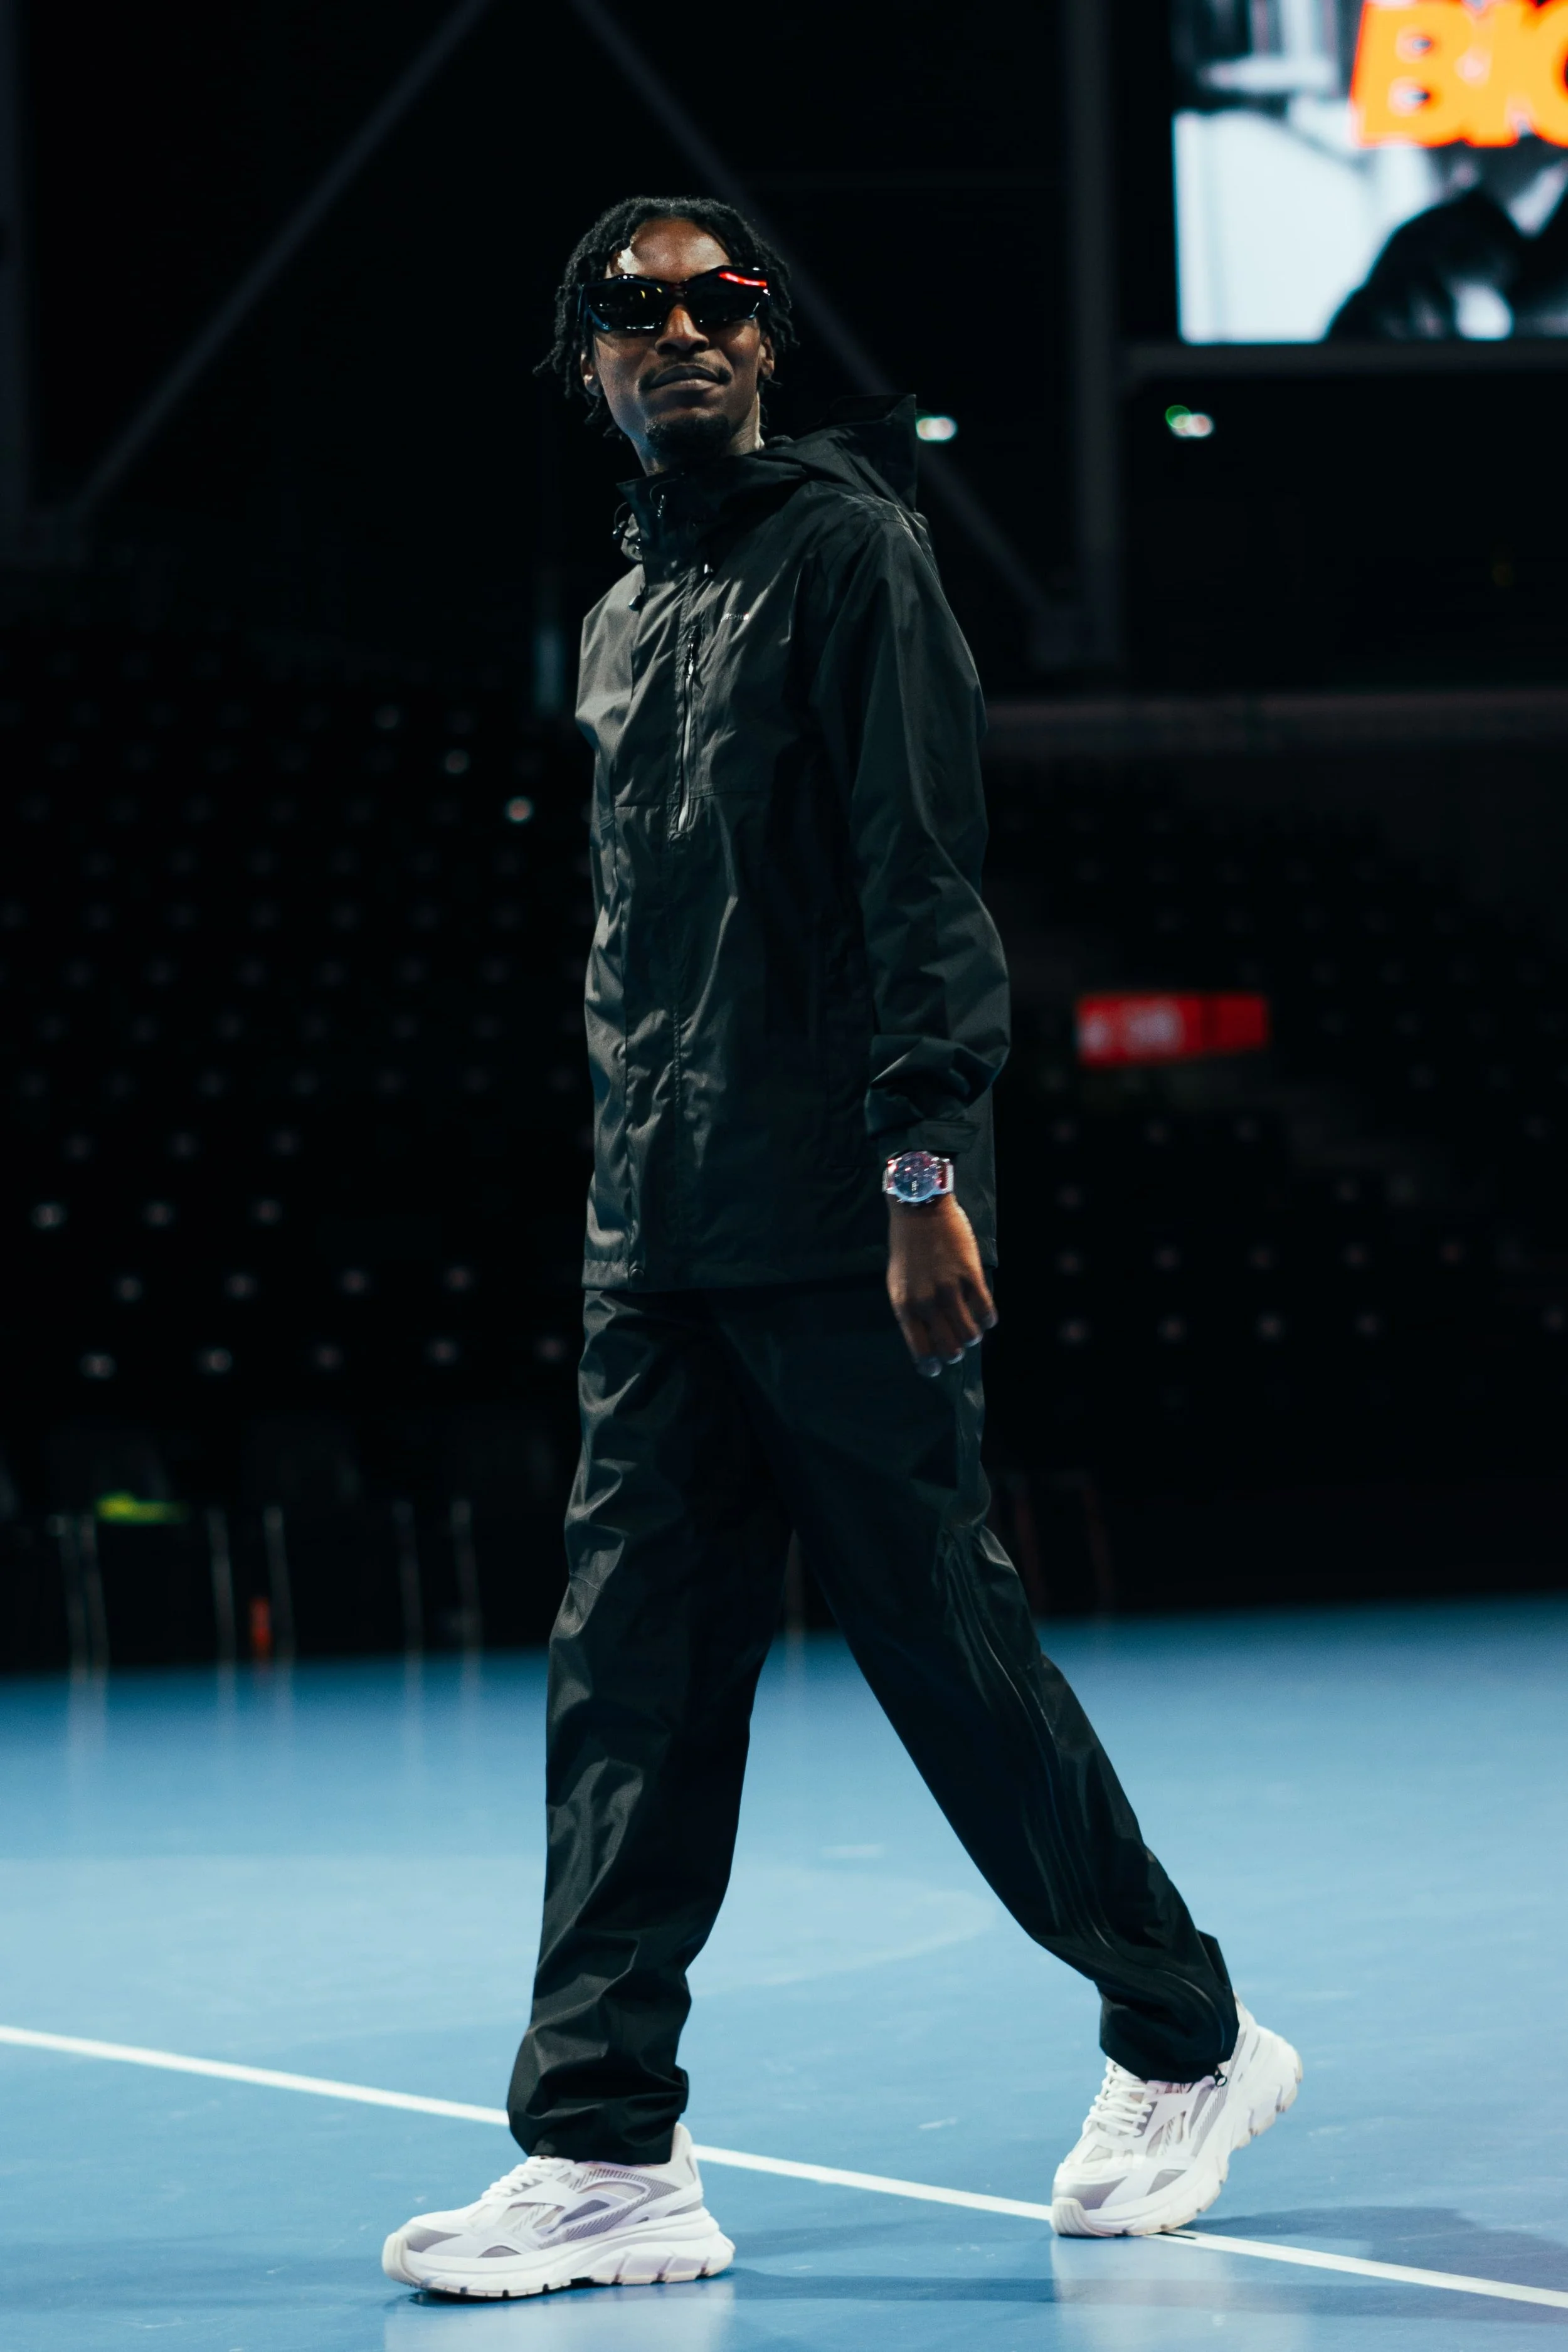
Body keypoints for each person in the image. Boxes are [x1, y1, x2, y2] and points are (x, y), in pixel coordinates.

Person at [382, 193, 1301, 2304]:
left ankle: (1186, 2038)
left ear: (769, 344)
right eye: (638, 311)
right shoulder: (619, 616)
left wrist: (919, 1170)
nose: (686, 332)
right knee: (624, 1684)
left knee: (942, 1657)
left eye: (725, 304)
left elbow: (921, 878)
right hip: (659, 1237)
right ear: (587, 364)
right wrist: (622, 1201)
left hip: (834, 1213)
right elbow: (639, 953)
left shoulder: (849, 553)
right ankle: (605, 2149)